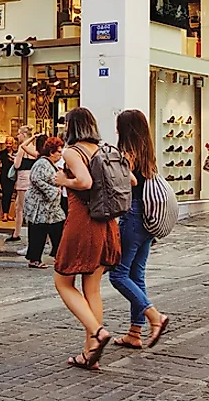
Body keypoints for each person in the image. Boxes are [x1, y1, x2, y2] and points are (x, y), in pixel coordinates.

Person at [53, 107, 120, 370]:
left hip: (83, 222)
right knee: (91, 289)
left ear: (72, 127)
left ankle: (96, 331)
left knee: (63, 282)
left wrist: (63, 180)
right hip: (107, 223)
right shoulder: (103, 149)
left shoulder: (72, 151)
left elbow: (85, 181)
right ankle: (90, 353)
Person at [109, 110, 170, 350]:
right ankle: (134, 332)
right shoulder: (148, 153)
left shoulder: (127, 154)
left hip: (132, 215)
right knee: (137, 275)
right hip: (147, 217)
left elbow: (126, 183)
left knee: (118, 274)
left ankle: (154, 316)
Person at [24, 136, 66, 269]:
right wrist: (54, 191)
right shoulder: (42, 163)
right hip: (40, 206)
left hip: (49, 207)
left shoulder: (50, 164)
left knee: (58, 227)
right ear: (51, 152)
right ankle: (35, 259)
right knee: (39, 232)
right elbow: (36, 179)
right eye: (59, 151)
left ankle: (58, 255)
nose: (60, 154)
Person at [8, 125, 37, 243]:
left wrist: (14, 159)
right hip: (31, 177)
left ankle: (17, 233)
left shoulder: (22, 148)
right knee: (24, 206)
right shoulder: (34, 147)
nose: (17, 136)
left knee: (20, 208)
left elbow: (17, 165)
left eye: (19, 134)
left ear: (24, 135)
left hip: (23, 178)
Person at [0, 136, 17, 221]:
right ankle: (4, 214)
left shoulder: (15, 153)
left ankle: (8, 213)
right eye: (7, 143)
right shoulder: (2, 153)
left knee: (10, 194)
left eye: (10, 143)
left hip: (12, 177)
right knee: (5, 194)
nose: (8, 145)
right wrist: (2, 170)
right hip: (4, 176)